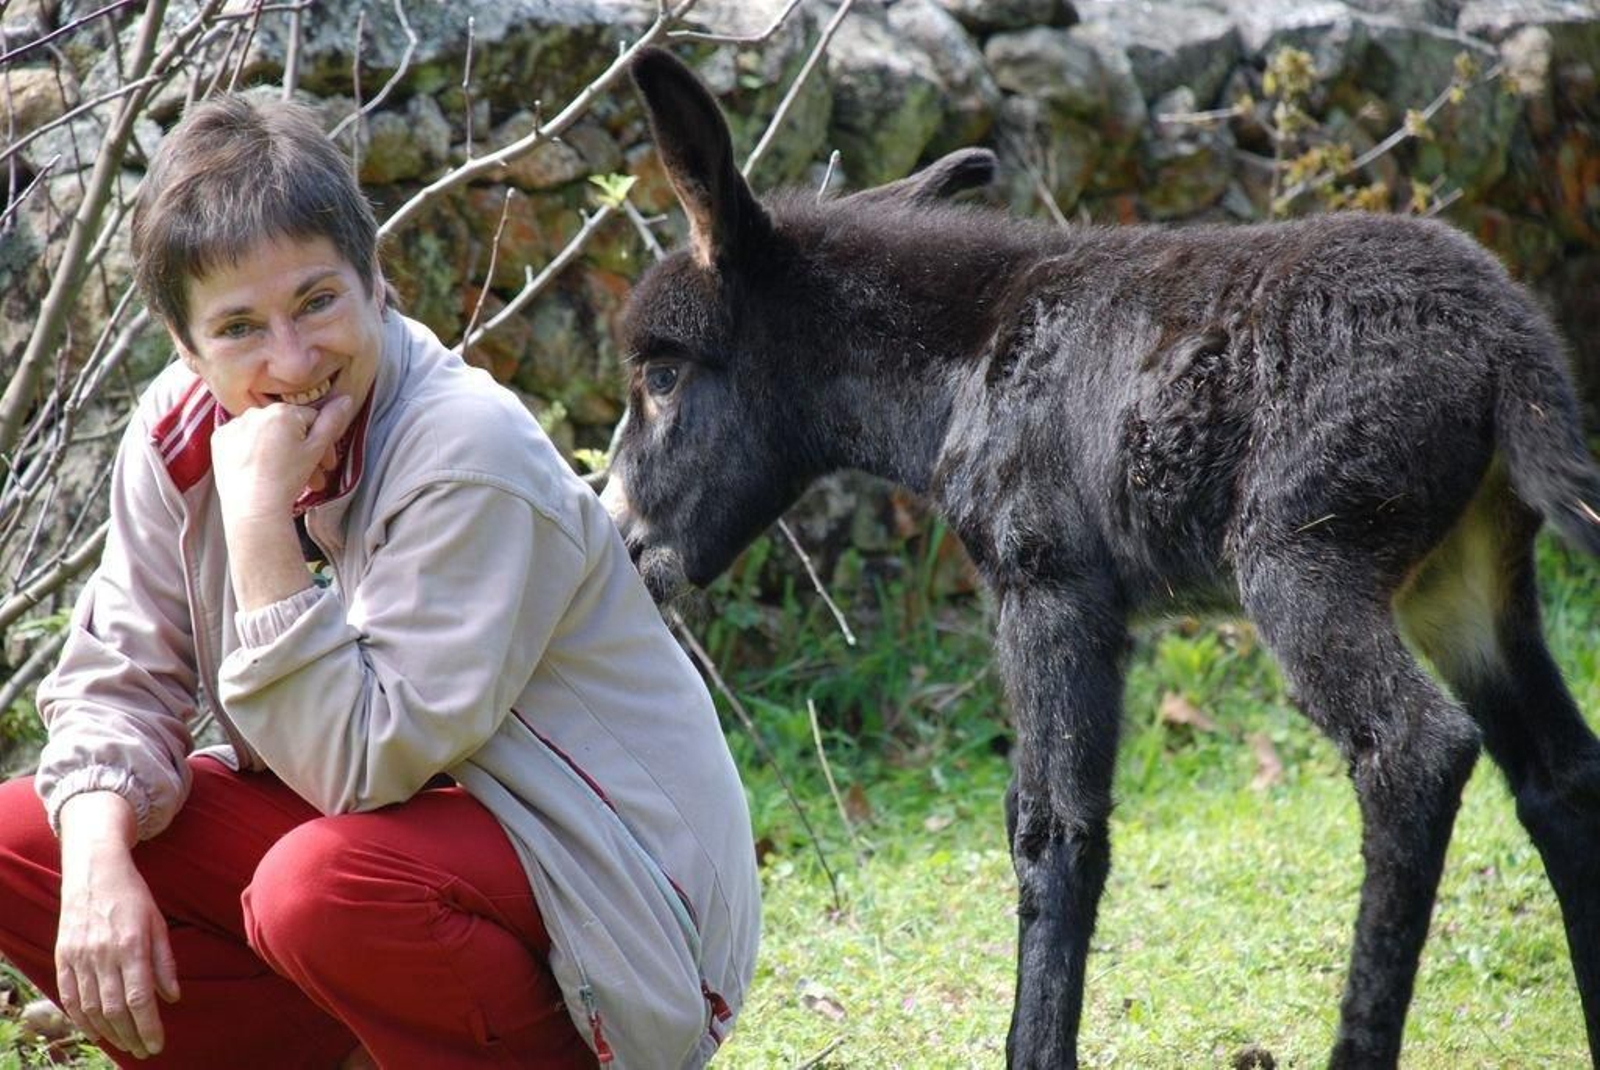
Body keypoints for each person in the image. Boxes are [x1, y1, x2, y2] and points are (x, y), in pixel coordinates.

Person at [0, 92, 759, 1069]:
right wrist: (99, 862)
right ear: (186, 350)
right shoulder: (177, 431)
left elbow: (361, 765)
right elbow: (120, 679)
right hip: (416, 854)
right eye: (237, 327)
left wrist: (261, 528)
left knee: (318, 887)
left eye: (317, 300)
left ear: (375, 283)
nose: (291, 359)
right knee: (33, 837)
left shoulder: (465, 450)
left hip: (617, 901)